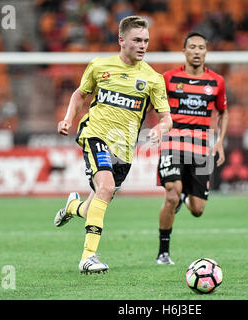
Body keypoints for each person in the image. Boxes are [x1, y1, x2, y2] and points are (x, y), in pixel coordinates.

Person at [54, 16, 172, 274]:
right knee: (105, 187)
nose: (143, 45)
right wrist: (67, 119)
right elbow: (80, 94)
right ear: (121, 40)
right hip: (95, 133)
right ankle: (88, 257)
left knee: (98, 200)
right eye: (137, 40)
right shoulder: (99, 66)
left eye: (146, 41)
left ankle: (73, 207)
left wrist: (160, 129)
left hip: (125, 149)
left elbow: (167, 119)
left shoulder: (153, 78)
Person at [155, 32, 229, 265]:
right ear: (184, 51)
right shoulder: (168, 78)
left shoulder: (216, 81)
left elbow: (224, 112)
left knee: (197, 210)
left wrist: (220, 141)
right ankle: (163, 253)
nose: (197, 51)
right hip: (172, 143)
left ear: (206, 51)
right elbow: (155, 105)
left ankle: (186, 196)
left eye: (201, 47)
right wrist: (158, 127)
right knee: (171, 193)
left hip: (201, 148)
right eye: (192, 47)